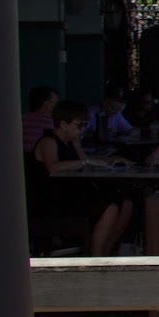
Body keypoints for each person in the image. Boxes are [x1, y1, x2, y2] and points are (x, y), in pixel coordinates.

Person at [26, 100, 135, 255]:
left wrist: (105, 160)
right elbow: (53, 167)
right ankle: (96, 256)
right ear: (63, 124)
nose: (82, 130)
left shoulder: (70, 143)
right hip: (52, 201)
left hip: (72, 193)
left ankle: (106, 249)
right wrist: (85, 161)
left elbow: (84, 163)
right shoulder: (48, 141)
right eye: (79, 125)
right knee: (109, 207)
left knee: (126, 202)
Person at [22, 85, 60, 153]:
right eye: (55, 103)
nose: (57, 106)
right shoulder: (51, 122)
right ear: (46, 104)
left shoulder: (22, 118)